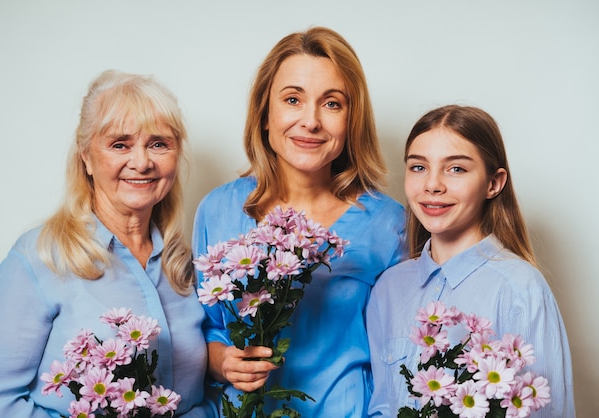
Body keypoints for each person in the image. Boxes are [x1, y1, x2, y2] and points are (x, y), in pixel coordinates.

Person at [0, 70, 217, 418]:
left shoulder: (186, 265)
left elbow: (201, 397)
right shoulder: (39, 258)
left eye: (159, 143)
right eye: (120, 144)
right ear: (85, 156)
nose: (142, 162)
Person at [192, 27, 405, 417]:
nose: (311, 121)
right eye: (293, 99)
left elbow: (401, 355)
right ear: (265, 114)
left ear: (351, 120)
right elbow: (199, 330)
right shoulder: (217, 210)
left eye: (332, 104)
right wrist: (223, 361)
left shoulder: (389, 223)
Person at [366, 105, 575, 417]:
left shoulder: (521, 289)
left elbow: (548, 409)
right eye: (419, 167)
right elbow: (381, 403)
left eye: (456, 169)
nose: (432, 185)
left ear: (493, 183)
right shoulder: (387, 289)